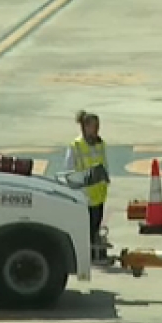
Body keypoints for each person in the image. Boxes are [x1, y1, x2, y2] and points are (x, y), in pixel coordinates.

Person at [63, 110, 110, 257]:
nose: (96, 130)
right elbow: (69, 171)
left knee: (95, 226)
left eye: (98, 126)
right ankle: (86, 253)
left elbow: (104, 164)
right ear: (85, 127)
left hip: (99, 196)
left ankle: (94, 251)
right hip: (84, 197)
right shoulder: (76, 146)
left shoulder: (100, 144)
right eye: (94, 126)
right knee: (86, 228)